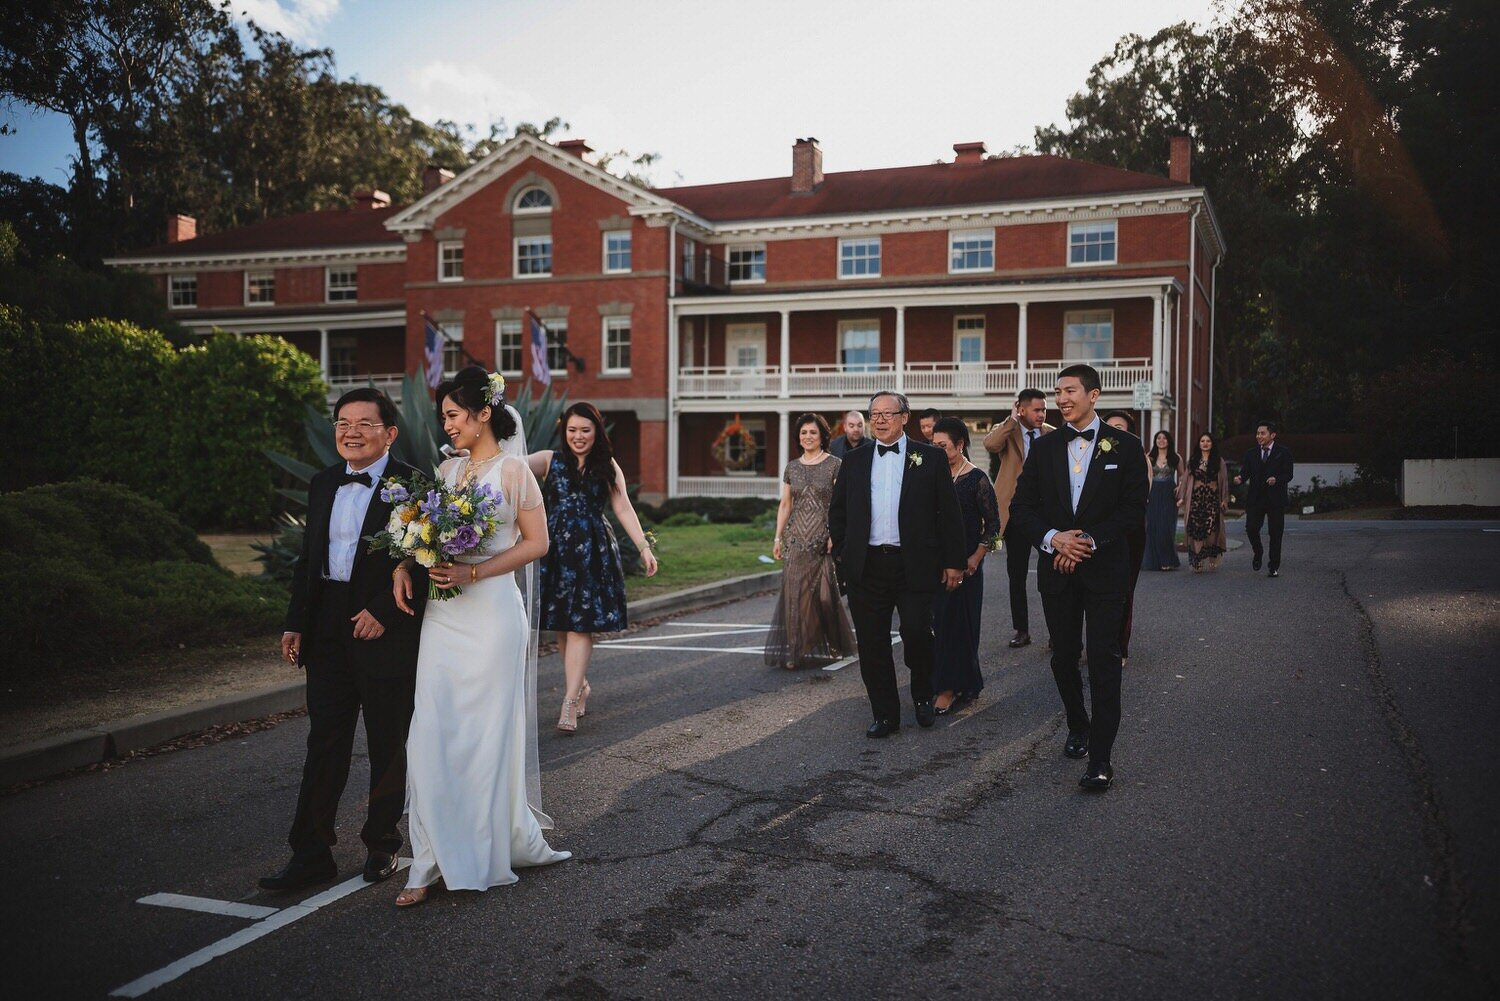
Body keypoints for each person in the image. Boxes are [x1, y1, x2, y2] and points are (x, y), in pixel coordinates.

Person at [390, 368, 569, 906]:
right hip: (444, 616)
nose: (445, 424)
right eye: (444, 415)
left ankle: (475, 852)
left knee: (483, 735)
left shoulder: (516, 472)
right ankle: (428, 857)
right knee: (431, 730)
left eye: (452, 414)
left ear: (483, 413)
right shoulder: (447, 469)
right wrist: (405, 560)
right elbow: (422, 531)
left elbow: (537, 543)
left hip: (491, 613)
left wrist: (477, 572)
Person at [261, 388, 426, 893]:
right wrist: (296, 622)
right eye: (342, 422)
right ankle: (310, 854)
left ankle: (383, 844)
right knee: (324, 743)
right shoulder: (323, 482)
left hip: (385, 625)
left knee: (386, 741)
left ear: (390, 433)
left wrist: (383, 612)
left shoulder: (415, 484)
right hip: (327, 627)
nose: (350, 431)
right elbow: (308, 559)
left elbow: (426, 559)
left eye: (364, 423)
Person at [1008, 364, 1148, 791]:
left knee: (1104, 661)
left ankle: (1102, 759)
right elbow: (1021, 508)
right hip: (1057, 571)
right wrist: (1054, 540)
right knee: (1063, 657)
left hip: (1105, 571)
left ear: (1094, 394)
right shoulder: (1046, 448)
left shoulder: (1125, 446)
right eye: (1058, 392)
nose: (1062, 398)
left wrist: (1085, 540)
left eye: (1070, 390)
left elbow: (1132, 510)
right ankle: (1077, 724)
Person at [828, 392, 965, 737]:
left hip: (914, 564)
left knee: (918, 633)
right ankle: (885, 714)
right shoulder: (855, 460)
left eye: (888, 414)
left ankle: (922, 693)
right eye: (875, 414)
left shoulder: (930, 458)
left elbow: (949, 514)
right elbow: (839, 512)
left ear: (905, 417)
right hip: (867, 566)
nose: (880, 420)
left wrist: (953, 562)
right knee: (872, 644)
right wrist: (845, 556)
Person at [530, 401, 658, 731]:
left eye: (585, 430)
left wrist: (644, 547)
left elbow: (624, 508)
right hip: (556, 552)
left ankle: (570, 702)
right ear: (564, 431)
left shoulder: (607, 466)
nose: (578, 436)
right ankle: (581, 685)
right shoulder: (549, 461)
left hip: (592, 551)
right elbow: (509, 468)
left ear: (596, 432)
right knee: (561, 625)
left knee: (581, 625)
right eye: (572, 430)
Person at [766, 414, 856, 669]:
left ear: (822, 436)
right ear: (798, 437)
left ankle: (834, 640)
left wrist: (834, 535)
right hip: (796, 539)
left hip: (823, 538)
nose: (808, 437)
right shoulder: (792, 467)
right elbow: (785, 504)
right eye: (803, 433)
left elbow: (841, 505)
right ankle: (795, 651)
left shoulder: (835, 464)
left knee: (826, 598)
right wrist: (777, 537)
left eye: (813, 433)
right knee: (795, 596)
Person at [929, 417, 999, 714]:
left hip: (968, 564)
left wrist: (976, 557)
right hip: (933, 562)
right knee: (938, 625)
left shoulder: (977, 479)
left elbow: (993, 526)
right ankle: (942, 683)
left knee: (963, 625)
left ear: (959, 445)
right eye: (934, 446)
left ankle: (958, 685)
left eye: (942, 446)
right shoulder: (931, 475)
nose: (937, 450)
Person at [982, 388, 1055, 648]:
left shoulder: (1051, 433)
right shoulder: (1009, 432)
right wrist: (1012, 419)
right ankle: (1021, 630)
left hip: (1045, 514)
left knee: (1053, 575)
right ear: (1021, 409)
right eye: (1036, 409)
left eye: (1044, 409)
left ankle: (1056, 634)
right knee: (1017, 574)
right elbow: (990, 444)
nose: (1041, 414)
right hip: (1015, 514)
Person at [1104, 411, 1149, 667]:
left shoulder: (1138, 458)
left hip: (1129, 533)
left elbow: (1140, 500)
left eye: (1119, 427)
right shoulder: (1092, 457)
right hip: (1098, 531)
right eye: (1109, 427)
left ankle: (1120, 646)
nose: (1113, 431)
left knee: (1123, 591)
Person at [1234, 420, 1293, 576]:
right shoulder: (1251, 453)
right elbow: (1245, 471)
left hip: (1276, 499)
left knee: (1275, 533)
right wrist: (1240, 478)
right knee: (1251, 528)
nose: (1259, 436)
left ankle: (1273, 566)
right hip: (1256, 499)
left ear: (1272, 435)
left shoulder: (1283, 452)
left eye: (1262, 433)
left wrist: (1277, 479)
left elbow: (1289, 474)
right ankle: (1258, 551)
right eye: (1257, 433)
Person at [1181, 432, 1230, 572]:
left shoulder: (1219, 461)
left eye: (1208, 441)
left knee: (1211, 531)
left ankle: (1212, 558)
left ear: (1212, 443)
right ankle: (1197, 560)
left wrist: (1224, 500)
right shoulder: (1193, 460)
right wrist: (1181, 497)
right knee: (1196, 529)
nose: (1205, 443)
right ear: (1199, 444)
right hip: (1196, 500)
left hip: (1212, 500)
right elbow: (1185, 480)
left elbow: (1224, 482)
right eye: (1202, 441)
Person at [1142, 430, 1182, 572]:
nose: (1161, 440)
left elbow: (1183, 477)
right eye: (1159, 438)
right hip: (1153, 495)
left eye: (1164, 438)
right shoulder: (1149, 457)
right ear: (1155, 441)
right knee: (1152, 528)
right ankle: (1153, 562)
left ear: (1169, 441)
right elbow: (1145, 478)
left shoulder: (1175, 458)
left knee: (1166, 529)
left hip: (1168, 495)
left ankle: (1167, 560)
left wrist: (1180, 489)